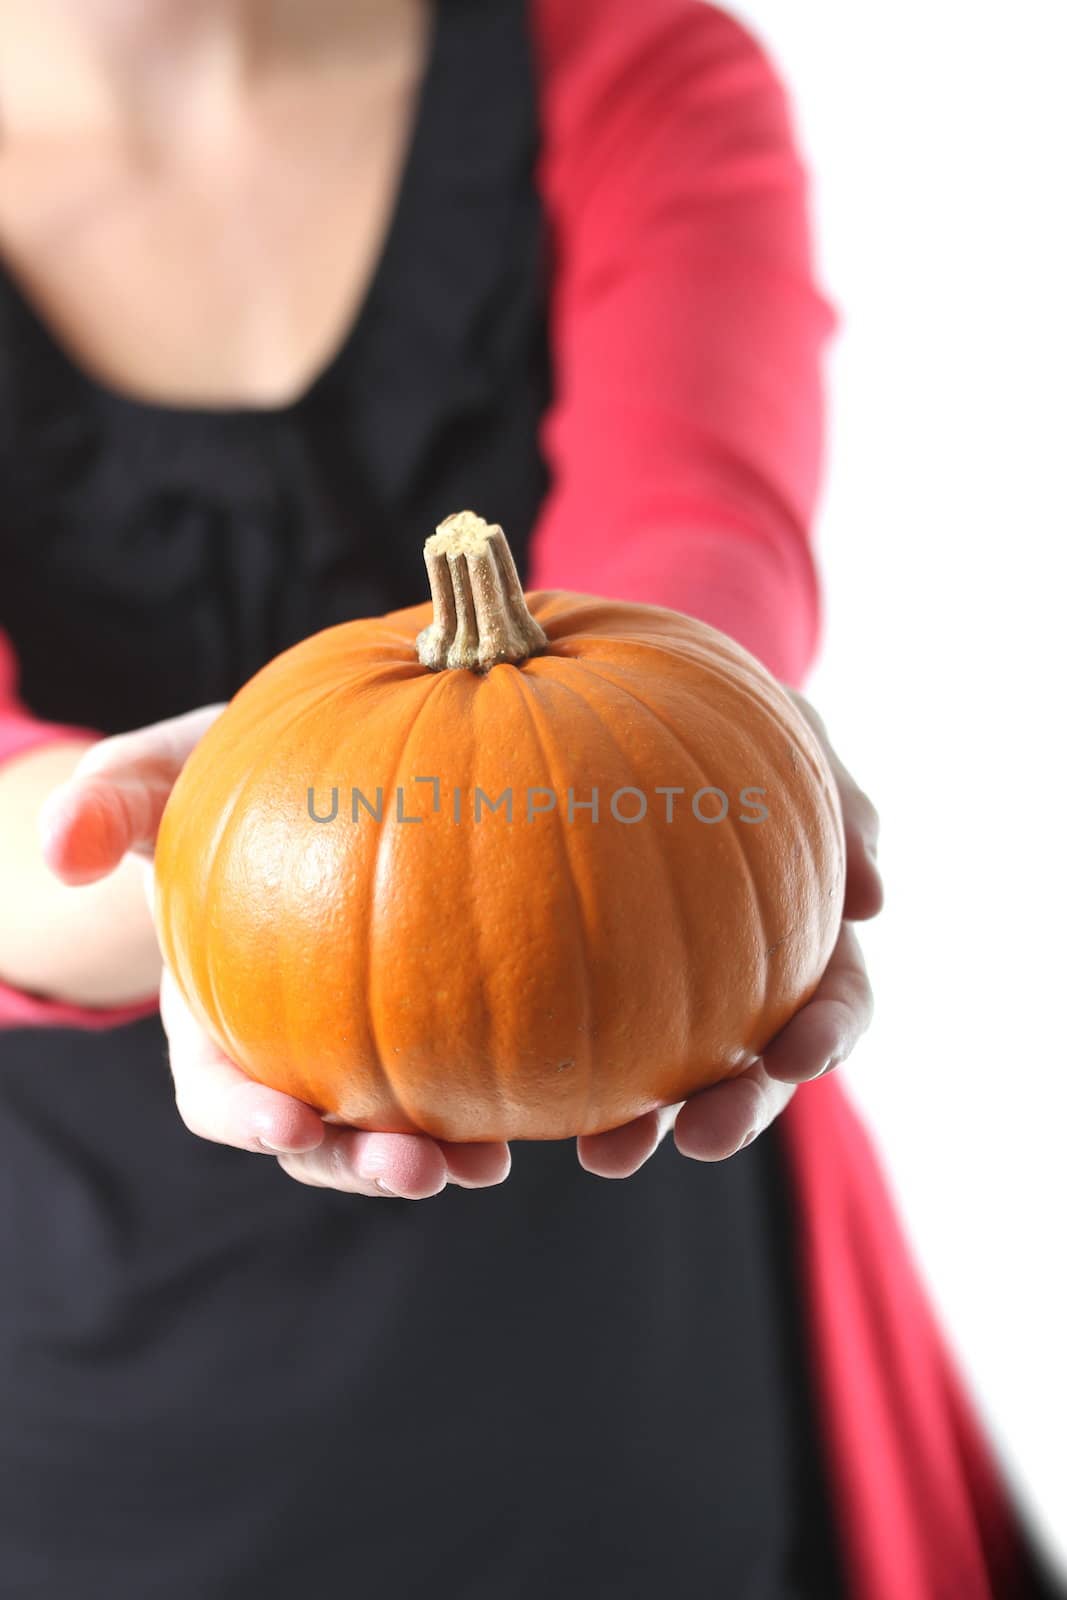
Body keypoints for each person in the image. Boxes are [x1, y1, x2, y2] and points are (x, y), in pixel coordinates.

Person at [0, 1, 1049, 1595]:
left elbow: (699, 582)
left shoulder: (635, 64)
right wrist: (231, 868)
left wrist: (658, 778)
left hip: (648, 1331)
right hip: (96, 1389)